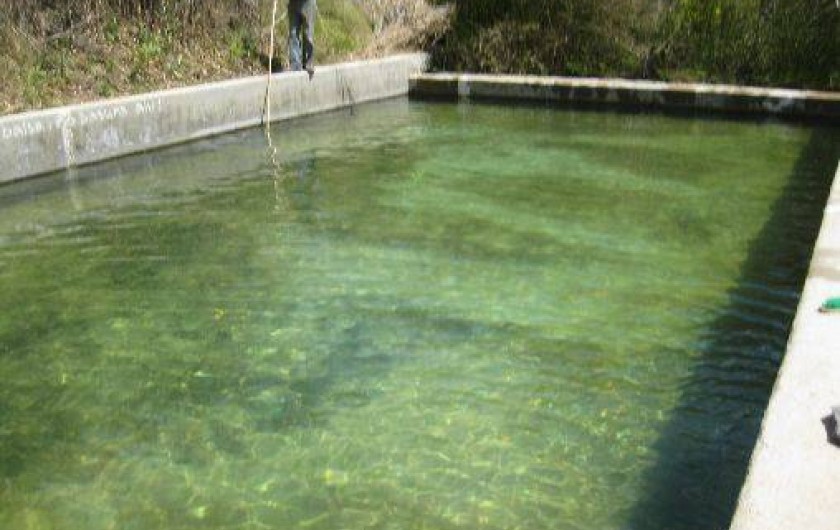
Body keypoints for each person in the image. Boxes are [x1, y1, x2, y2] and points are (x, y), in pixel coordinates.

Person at [288, 0, 316, 78]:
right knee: (293, 34)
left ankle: (308, 62)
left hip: (308, 3)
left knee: (308, 34)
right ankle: (295, 65)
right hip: (293, 3)